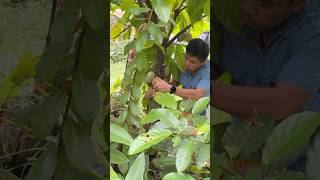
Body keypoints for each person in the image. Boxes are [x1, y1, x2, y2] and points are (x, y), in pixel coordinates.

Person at [212, 0, 320, 172]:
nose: (246, 8)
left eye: (265, 3)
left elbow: (284, 103)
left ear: (297, 3)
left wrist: (203, 91)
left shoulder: (313, 30)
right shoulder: (227, 13)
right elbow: (212, 65)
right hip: (245, 150)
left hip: (302, 164)